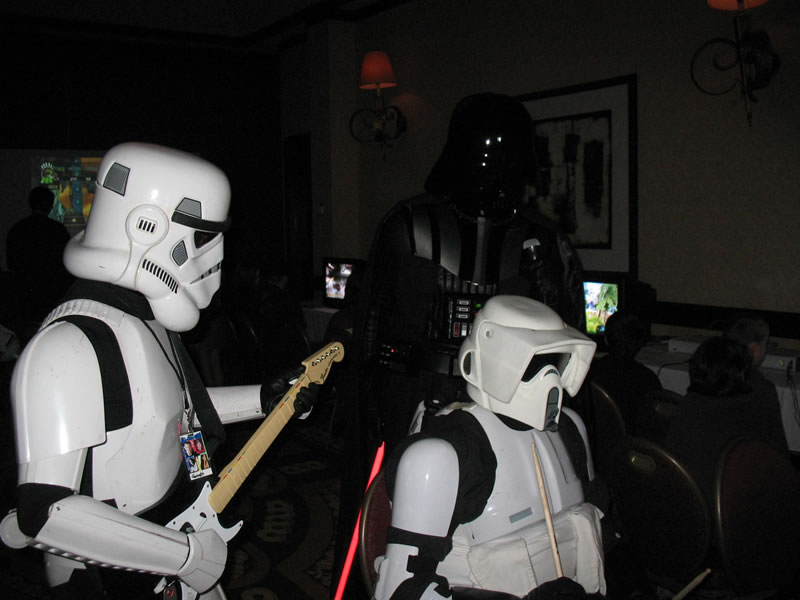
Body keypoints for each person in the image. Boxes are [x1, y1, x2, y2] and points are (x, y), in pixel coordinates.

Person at [0, 142, 321, 599]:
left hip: (179, 528)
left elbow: (174, 411)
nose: (216, 257)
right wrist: (184, 556)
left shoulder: (143, 318)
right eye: (203, 237)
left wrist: (264, 399)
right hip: (114, 572)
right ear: (146, 227)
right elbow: (45, 512)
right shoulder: (68, 347)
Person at [372, 295, 604, 600]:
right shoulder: (442, 455)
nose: (550, 378)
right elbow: (400, 589)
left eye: (556, 362)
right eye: (536, 363)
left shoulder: (569, 428)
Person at [663, 336, 788, 506]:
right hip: (736, 507)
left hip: (688, 504)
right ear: (743, 372)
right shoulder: (759, 399)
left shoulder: (690, 406)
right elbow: (779, 461)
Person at [4, 185, 74, 341]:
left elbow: (11, 263)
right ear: (50, 205)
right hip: (52, 296)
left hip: (25, 295)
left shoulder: (18, 229)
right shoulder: (57, 230)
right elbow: (66, 264)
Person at [589, 310, 662, 432]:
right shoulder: (648, 379)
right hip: (631, 442)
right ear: (640, 344)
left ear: (606, 339)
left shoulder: (590, 370)